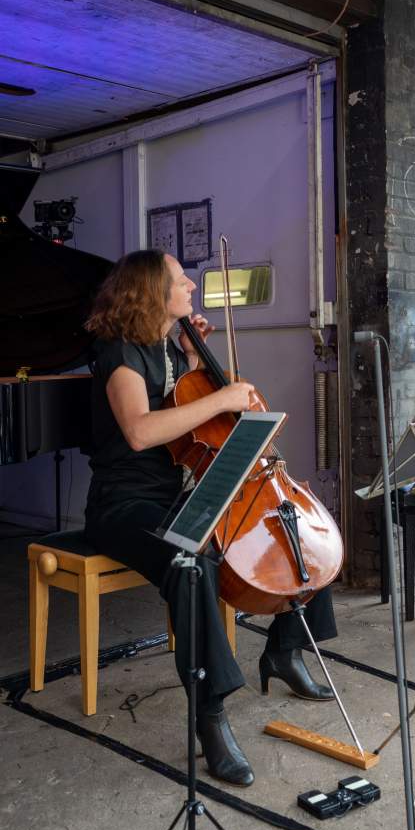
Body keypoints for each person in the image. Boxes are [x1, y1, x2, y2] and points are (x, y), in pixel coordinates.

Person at [83, 249, 337, 786]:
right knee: (189, 563)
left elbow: (186, 414)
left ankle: (285, 650)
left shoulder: (169, 349)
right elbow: (140, 431)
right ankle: (210, 716)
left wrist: (194, 365)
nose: (192, 288)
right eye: (181, 280)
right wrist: (220, 393)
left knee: (292, 525)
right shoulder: (119, 353)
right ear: (153, 291)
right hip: (125, 505)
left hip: (177, 495)